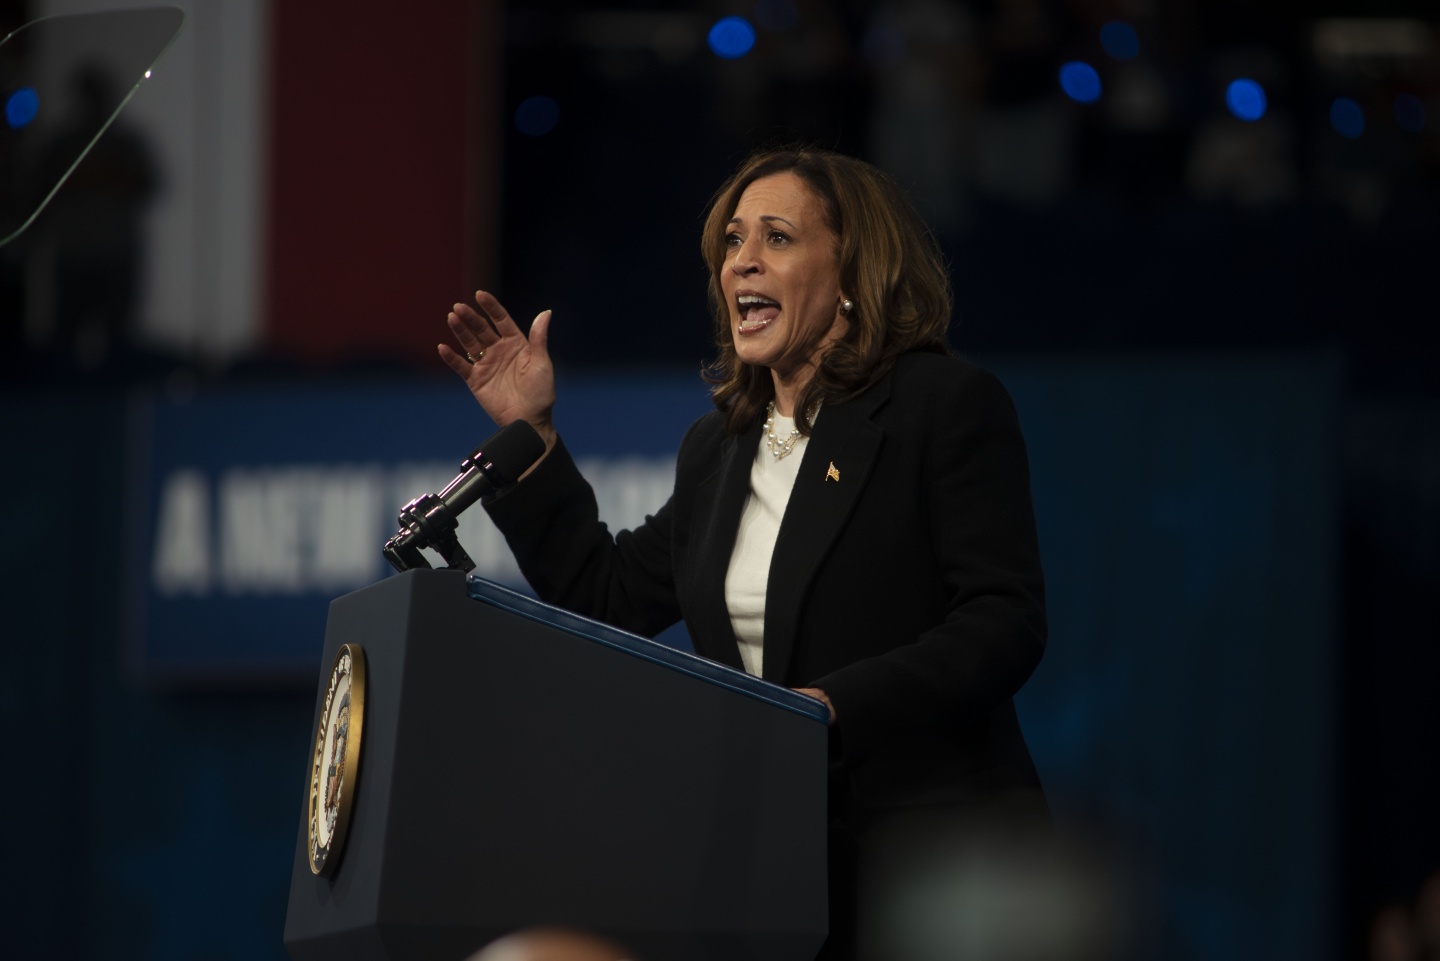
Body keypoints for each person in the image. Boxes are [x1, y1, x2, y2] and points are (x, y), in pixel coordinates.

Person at [438, 147, 1048, 960]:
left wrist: (830, 706)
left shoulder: (941, 405)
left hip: (934, 868)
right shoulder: (718, 450)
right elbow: (607, 597)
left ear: (853, 272)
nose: (743, 261)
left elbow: (1001, 622)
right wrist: (535, 436)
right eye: (731, 241)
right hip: (781, 882)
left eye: (778, 237)